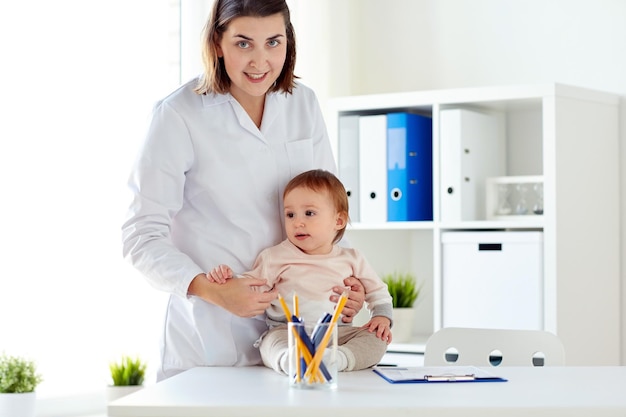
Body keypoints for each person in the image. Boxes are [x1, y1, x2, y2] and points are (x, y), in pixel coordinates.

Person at [121, 0, 366, 381]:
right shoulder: (178, 115)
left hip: (299, 340)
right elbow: (141, 236)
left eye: (273, 42)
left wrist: (347, 284)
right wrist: (214, 291)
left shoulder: (303, 104)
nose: (260, 61)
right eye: (243, 43)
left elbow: (329, 213)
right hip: (210, 344)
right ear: (217, 42)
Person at [208, 169, 393, 374]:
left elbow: (378, 291)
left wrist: (381, 317)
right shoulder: (274, 256)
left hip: (337, 334)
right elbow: (251, 285)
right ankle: (291, 361)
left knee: (377, 339)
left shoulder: (352, 258)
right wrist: (228, 278)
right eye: (290, 214)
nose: (298, 222)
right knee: (270, 344)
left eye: (309, 213)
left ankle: (338, 359)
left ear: (338, 221)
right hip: (287, 332)